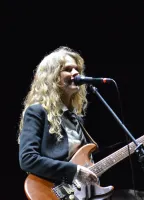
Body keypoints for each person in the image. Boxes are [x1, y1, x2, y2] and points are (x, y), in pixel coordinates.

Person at [18, 46, 106, 200]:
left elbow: (82, 160)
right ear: (52, 77)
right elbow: (27, 159)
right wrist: (75, 171)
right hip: (51, 192)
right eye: (68, 69)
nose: (75, 73)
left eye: (77, 69)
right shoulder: (37, 111)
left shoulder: (75, 118)